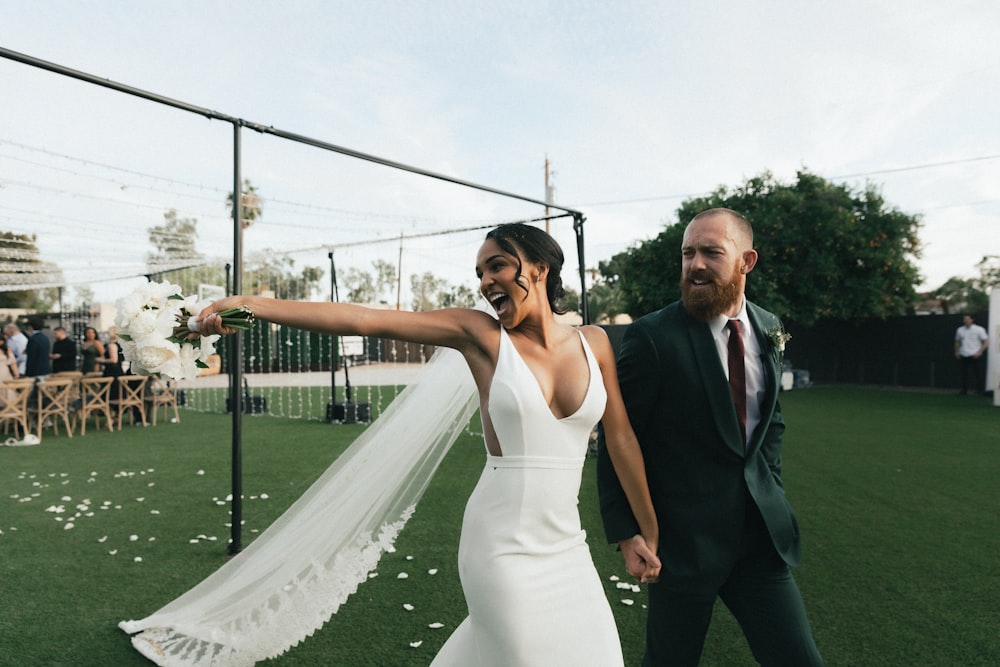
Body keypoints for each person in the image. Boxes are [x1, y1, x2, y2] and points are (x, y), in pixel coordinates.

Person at [191, 223, 660, 665]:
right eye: (479, 273)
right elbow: (364, 320)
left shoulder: (595, 343)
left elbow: (621, 440)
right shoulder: (481, 335)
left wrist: (647, 530)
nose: (485, 281)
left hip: (567, 548)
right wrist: (244, 305)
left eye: (497, 265)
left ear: (538, 268)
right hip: (500, 550)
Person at [598, 208, 823, 666]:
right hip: (681, 547)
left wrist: (771, 487)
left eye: (711, 252)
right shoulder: (653, 337)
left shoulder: (769, 326)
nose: (695, 264)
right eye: (687, 253)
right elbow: (618, 438)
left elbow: (771, 423)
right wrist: (627, 532)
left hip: (760, 544)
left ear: (747, 261)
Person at [954, 314, 988, 395]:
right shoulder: (960, 330)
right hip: (964, 353)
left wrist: (979, 352)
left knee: (978, 373)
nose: (966, 321)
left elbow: (986, 342)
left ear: (972, 320)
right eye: (964, 319)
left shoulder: (979, 329)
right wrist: (957, 351)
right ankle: (964, 390)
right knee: (964, 373)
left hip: (975, 354)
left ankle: (980, 390)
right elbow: (957, 341)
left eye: (967, 319)